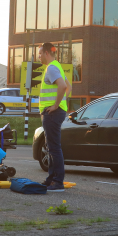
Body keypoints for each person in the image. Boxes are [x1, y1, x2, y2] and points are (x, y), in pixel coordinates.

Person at [38, 42, 70, 192]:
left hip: (53, 113)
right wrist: (62, 103)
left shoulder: (51, 68)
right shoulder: (56, 66)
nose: (38, 56)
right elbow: (68, 86)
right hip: (53, 113)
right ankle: (51, 179)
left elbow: (63, 86)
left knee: (54, 148)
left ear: (46, 53)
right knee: (51, 147)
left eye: (39, 53)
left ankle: (57, 182)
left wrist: (56, 105)